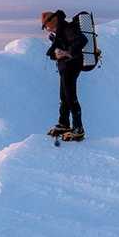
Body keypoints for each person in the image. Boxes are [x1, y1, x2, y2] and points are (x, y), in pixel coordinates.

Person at [41, 9, 87, 141]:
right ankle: (64, 124)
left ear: (52, 22)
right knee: (64, 96)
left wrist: (67, 52)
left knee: (70, 96)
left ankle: (78, 128)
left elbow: (82, 40)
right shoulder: (59, 32)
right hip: (65, 67)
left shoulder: (67, 29)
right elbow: (58, 50)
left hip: (72, 66)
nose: (47, 30)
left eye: (46, 26)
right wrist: (58, 54)